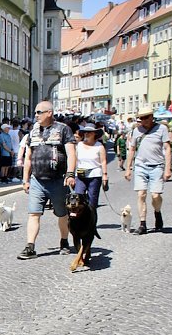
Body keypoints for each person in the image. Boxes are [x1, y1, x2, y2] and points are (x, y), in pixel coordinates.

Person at [17, 101, 77, 260]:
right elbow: (28, 157)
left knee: (62, 214)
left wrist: (70, 174)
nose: (36, 115)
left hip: (58, 180)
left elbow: (71, 153)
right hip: (37, 180)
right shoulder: (33, 131)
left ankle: (64, 241)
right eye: (35, 112)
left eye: (39, 112)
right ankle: (30, 246)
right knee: (33, 214)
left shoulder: (63, 129)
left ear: (49, 113)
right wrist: (25, 179)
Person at [124, 106, 172, 235]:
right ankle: (143, 224)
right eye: (141, 118)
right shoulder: (136, 130)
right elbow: (132, 149)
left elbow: (167, 148)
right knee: (141, 194)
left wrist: (168, 168)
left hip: (157, 165)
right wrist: (128, 168)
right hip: (140, 165)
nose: (143, 120)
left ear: (151, 117)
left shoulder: (162, 129)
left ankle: (157, 212)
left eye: (146, 117)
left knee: (156, 195)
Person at [74, 125, 108, 209]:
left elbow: (103, 161)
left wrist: (104, 176)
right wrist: (71, 174)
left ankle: (91, 220)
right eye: (85, 132)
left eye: (89, 132)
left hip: (95, 175)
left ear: (94, 134)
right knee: (78, 197)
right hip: (80, 175)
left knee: (92, 200)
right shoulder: (79, 145)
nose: (87, 134)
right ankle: (80, 220)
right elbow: (75, 160)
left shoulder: (99, 146)